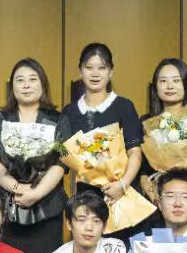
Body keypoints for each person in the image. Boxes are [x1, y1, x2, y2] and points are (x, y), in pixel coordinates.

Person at [0, 58, 69, 253]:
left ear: (43, 84)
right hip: (8, 208)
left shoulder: (58, 120)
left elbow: (63, 160)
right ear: (12, 86)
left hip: (47, 208)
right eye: (20, 80)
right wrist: (16, 187)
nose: (27, 85)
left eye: (33, 79)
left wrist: (37, 193)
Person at [60, 43, 147, 240]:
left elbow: (135, 151)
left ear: (111, 72)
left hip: (121, 196)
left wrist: (122, 185)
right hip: (86, 197)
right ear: (80, 71)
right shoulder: (70, 111)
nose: (95, 73)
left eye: (102, 67)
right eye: (89, 67)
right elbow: (64, 154)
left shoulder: (124, 106)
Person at [139, 57, 187, 230]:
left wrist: (177, 179)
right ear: (155, 86)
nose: (169, 86)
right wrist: (148, 187)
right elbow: (140, 166)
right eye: (163, 81)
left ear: (186, 84)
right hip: (156, 200)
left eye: (176, 80)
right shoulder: (145, 122)